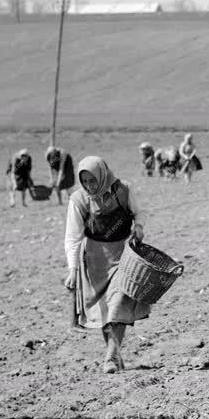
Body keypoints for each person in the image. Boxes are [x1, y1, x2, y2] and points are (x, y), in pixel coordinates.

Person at [64, 156, 150, 374]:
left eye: (93, 180)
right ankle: (115, 354)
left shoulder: (123, 190)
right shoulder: (79, 200)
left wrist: (138, 227)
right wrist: (72, 269)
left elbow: (139, 211)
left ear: (102, 175)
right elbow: (72, 237)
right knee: (105, 311)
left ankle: (110, 357)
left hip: (124, 255)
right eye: (85, 182)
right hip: (95, 261)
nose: (90, 186)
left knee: (119, 302)